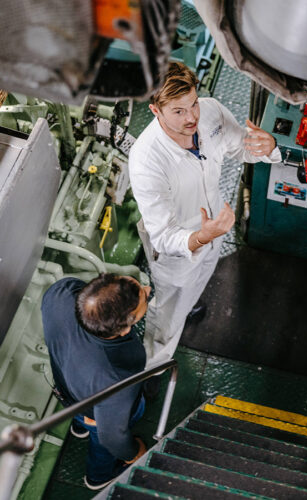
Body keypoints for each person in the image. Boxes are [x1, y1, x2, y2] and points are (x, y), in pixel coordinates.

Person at [128, 61, 281, 369]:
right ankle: (151, 370)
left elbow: (242, 148)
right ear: (156, 110)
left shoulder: (210, 111)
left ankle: (187, 306)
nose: (192, 117)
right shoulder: (147, 161)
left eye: (193, 104)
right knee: (167, 317)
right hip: (178, 250)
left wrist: (268, 145)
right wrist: (202, 236)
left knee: (196, 285)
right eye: (179, 111)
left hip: (213, 230)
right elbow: (163, 236)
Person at [41, 273, 151, 490]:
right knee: (102, 440)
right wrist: (133, 453)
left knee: (82, 416)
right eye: (144, 299)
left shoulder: (60, 292)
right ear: (124, 329)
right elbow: (112, 437)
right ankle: (98, 476)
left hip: (68, 389)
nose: (147, 289)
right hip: (98, 412)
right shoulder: (115, 377)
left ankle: (79, 426)